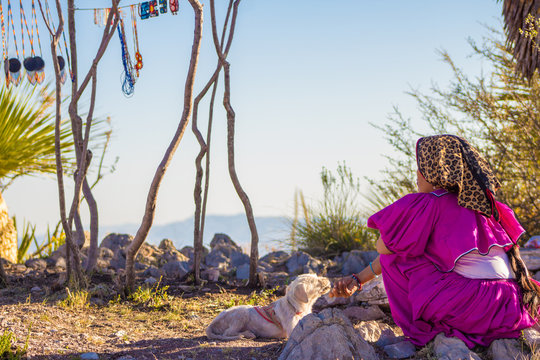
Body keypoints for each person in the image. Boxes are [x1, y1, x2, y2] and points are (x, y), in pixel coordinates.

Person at [329, 134, 540, 348]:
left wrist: (358, 279)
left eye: (421, 167)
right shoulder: (482, 204)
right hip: (513, 303)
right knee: (410, 249)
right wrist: (358, 280)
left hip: (475, 307)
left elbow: (385, 248)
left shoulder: (431, 203)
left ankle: (425, 330)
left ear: (435, 171)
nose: (417, 175)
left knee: (399, 256)